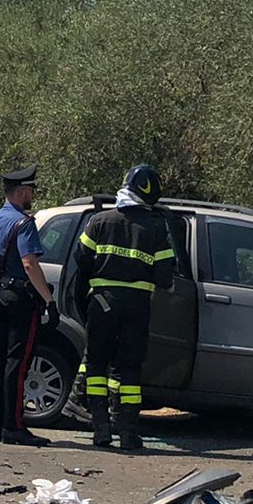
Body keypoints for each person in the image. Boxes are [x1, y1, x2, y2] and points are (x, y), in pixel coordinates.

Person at [70, 165, 177, 451]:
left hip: (102, 304)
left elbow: (81, 263)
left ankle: (100, 428)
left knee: (96, 364)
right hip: (138, 307)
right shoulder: (156, 228)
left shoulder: (98, 221)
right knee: (129, 369)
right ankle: (128, 432)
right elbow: (165, 277)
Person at [0, 165, 58, 445]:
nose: (33, 196)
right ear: (22, 191)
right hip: (20, 299)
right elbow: (29, 263)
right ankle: (14, 426)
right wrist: (48, 300)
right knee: (18, 362)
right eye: (32, 191)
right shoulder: (23, 223)